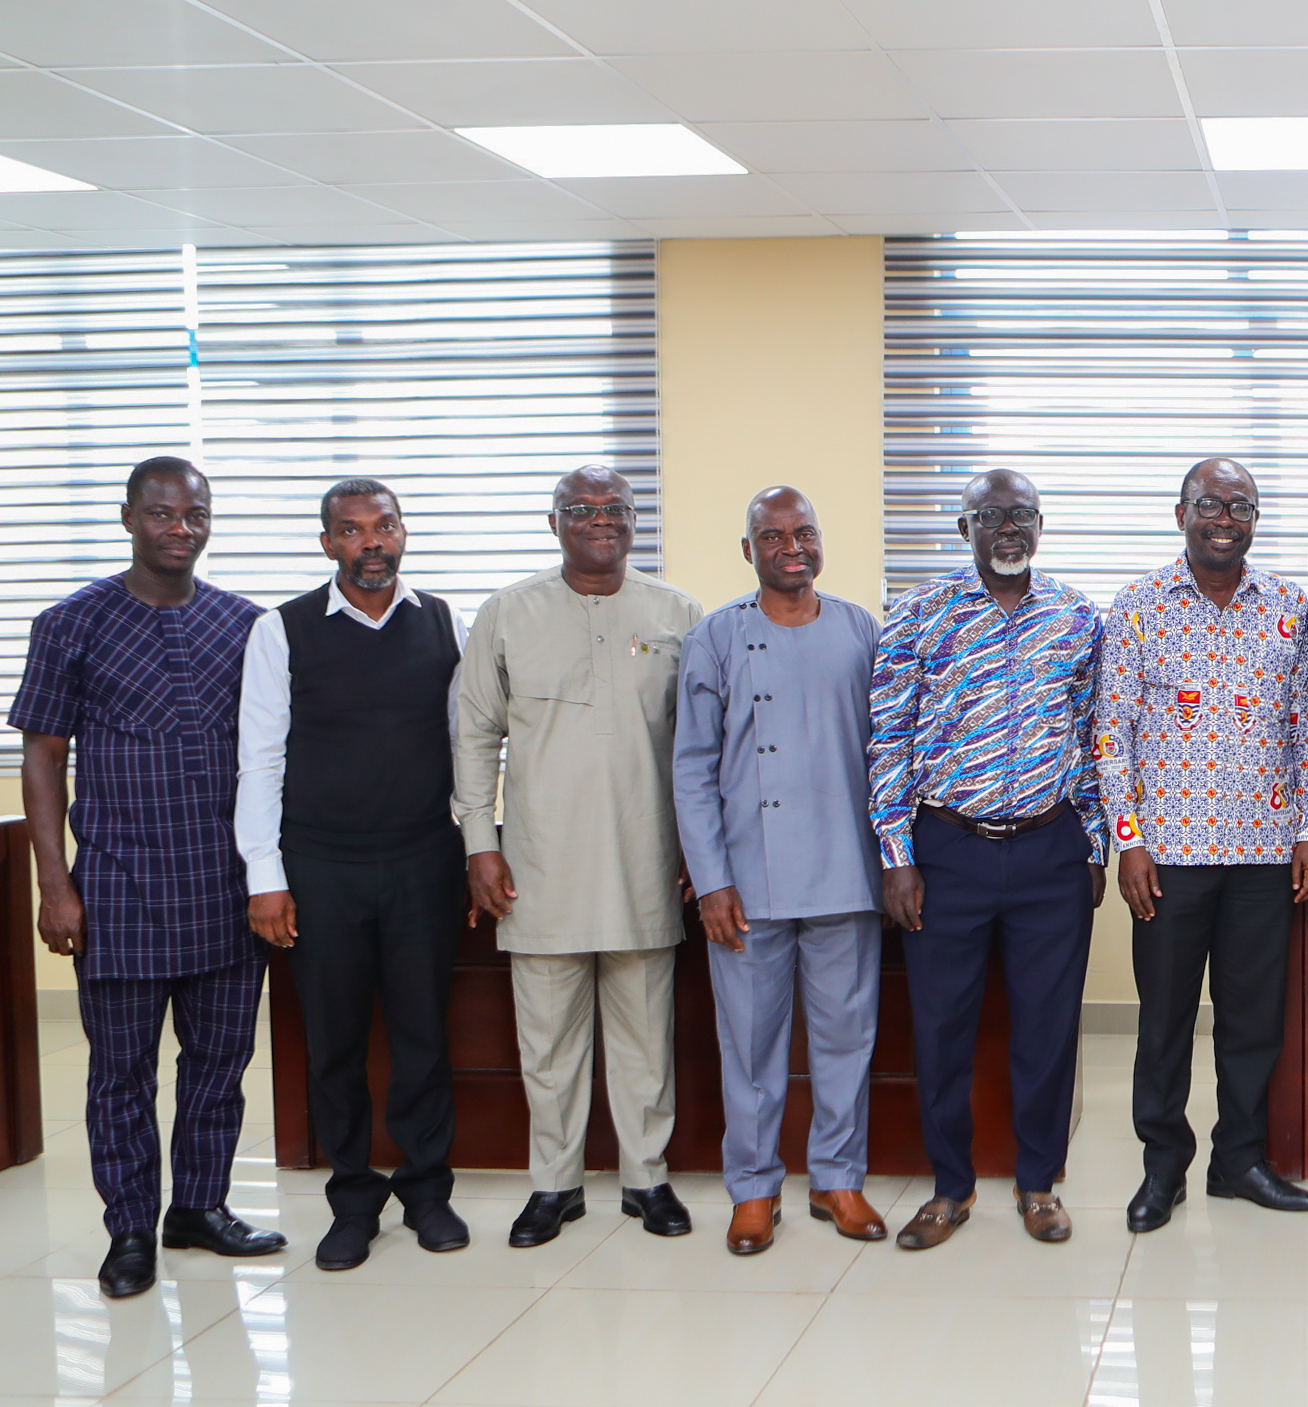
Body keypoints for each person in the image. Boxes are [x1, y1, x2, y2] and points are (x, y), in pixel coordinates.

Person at [12, 455, 286, 1300]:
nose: (180, 527)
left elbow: (273, 755)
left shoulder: (246, 624)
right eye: (163, 513)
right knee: (121, 1071)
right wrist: (56, 886)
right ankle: (129, 1227)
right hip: (119, 888)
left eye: (195, 513)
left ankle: (199, 1208)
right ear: (128, 517)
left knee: (219, 1062)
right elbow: (43, 754)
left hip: (223, 884)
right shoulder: (72, 623)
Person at [453, 466, 704, 1248]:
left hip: (647, 858)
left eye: (616, 509)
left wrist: (703, 846)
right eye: (583, 510)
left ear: (636, 522)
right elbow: (474, 736)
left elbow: (703, 744)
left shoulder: (675, 612)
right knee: (549, 1041)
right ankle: (553, 1187)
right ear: (553, 521)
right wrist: (479, 847)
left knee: (643, 1035)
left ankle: (645, 1180)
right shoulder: (507, 613)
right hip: (539, 862)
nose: (602, 521)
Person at [234, 478, 473, 1271]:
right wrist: (264, 876)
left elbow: (471, 744)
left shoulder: (442, 620)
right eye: (351, 530)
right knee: (333, 1043)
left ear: (403, 534)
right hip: (320, 867)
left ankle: (427, 1192)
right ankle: (351, 1199)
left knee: (421, 1037)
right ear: (327, 542)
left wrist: (476, 848)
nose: (371, 541)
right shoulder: (283, 630)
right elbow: (260, 758)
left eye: (385, 526)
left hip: (420, 861)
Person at [871, 470, 1108, 1250]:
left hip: (1049, 850)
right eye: (991, 516)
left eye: (1022, 516)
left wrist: (1094, 843)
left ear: (1041, 526)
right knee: (941, 1028)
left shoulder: (1076, 617)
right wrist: (898, 856)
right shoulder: (915, 614)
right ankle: (950, 1188)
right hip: (946, 850)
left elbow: (1090, 741)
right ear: (963, 526)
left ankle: (1038, 1183)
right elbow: (888, 741)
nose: (1009, 528)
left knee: (1047, 1027)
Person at [1104, 459, 1308, 1232]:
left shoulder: (1289, 610)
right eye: (1209, 504)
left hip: (1264, 855)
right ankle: (1162, 1169)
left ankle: (1240, 1162)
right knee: (1164, 1021)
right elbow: (1112, 735)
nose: (1224, 518)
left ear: (1255, 519)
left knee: (1252, 1020)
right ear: (1180, 514)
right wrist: (1128, 844)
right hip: (1167, 859)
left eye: (1240, 505)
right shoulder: (1135, 608)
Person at [673, 487, 889, 1255]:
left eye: (804, 533)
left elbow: (890, 756)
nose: (791, 546)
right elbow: (692, 768)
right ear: (749, 551)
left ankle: (837, 1179)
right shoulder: (717, 637)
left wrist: (894, 864)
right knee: (752, 1048)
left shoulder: (862, 629)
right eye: (773, 535)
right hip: (748, 882)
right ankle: (755, 1190)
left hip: (845, 874)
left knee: (843, 1040)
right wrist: (710, 879)